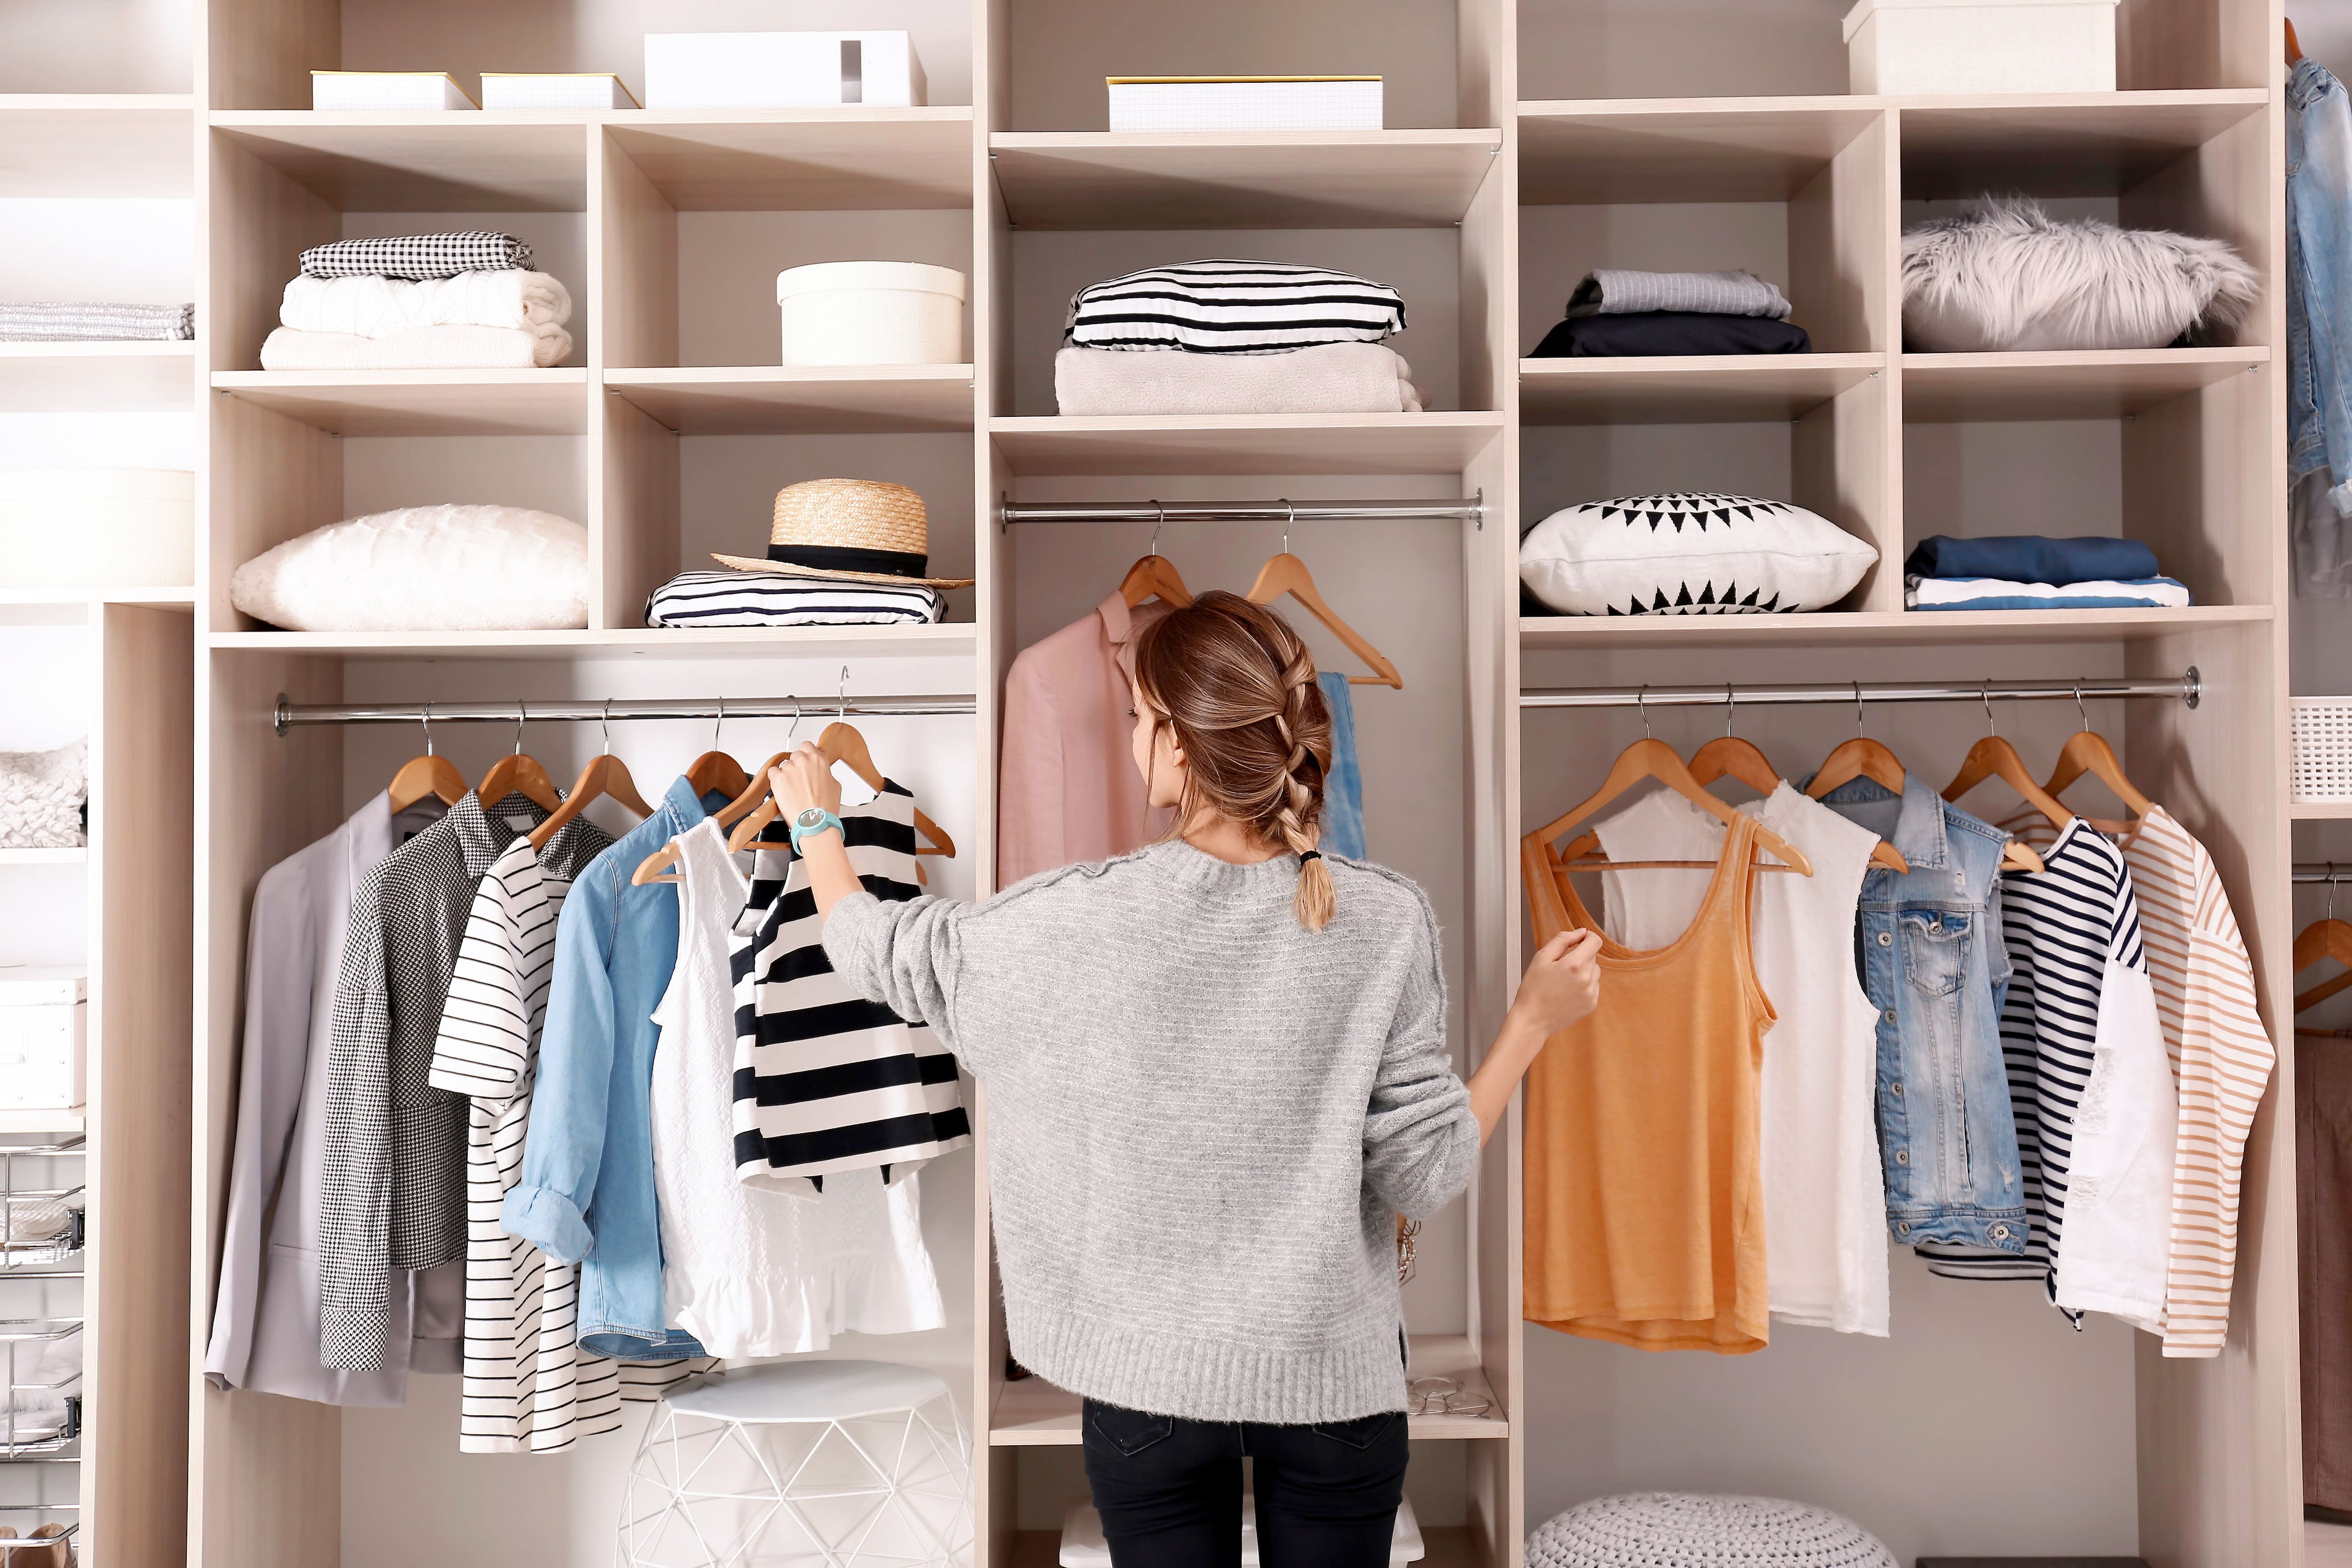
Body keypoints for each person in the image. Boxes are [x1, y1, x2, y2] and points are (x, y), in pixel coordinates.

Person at [768, 590, 1602, 1568]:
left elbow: (879, 950)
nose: (1129, 739)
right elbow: (1422, 1174)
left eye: (1135, 719)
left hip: (1147, 1387)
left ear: (1173, 741)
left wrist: (818, 822)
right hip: (1334, 1379)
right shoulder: (1384, 919)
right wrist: (1530, 1023)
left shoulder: (1072, 918)